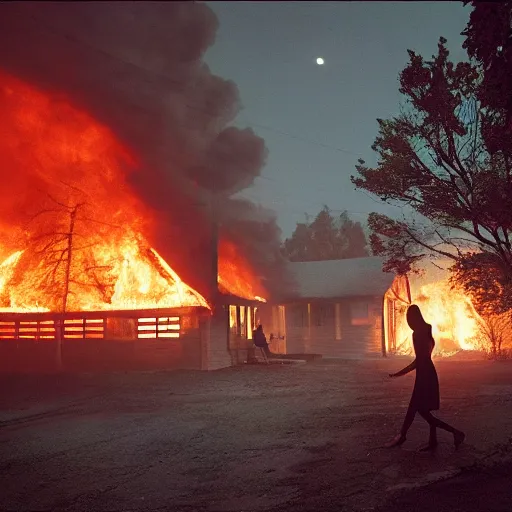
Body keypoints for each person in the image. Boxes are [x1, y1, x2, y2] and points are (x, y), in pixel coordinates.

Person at [386, 305, 465, 451]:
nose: (408, 322)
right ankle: (433, 440)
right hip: (429, 373)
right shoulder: (428, 330)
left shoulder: (417, 334)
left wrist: (399, 373)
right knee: (423, 410)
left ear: (413, 319)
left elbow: (419, 360)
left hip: (424, 376)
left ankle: (403, 435)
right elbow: (424, 357)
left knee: (415, 408)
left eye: (409, 319)